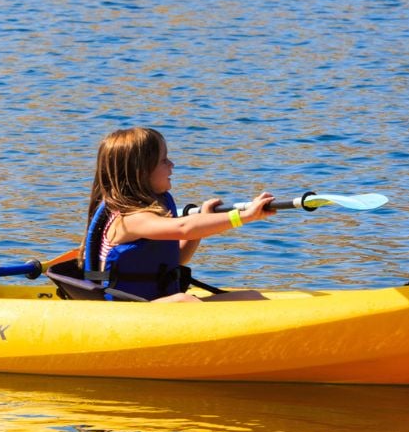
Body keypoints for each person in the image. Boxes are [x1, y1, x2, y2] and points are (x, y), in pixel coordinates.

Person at [80, 127, 275, 302]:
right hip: (128, 311)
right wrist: (245, 216)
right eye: (164, 161)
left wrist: (205, 217)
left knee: (252, 297)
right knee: (184, 300)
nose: (172, 164)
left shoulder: (146, 214)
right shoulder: (129, 219)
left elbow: (178, 258)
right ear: (141, 172)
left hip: (156, 306)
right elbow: (183, 228)